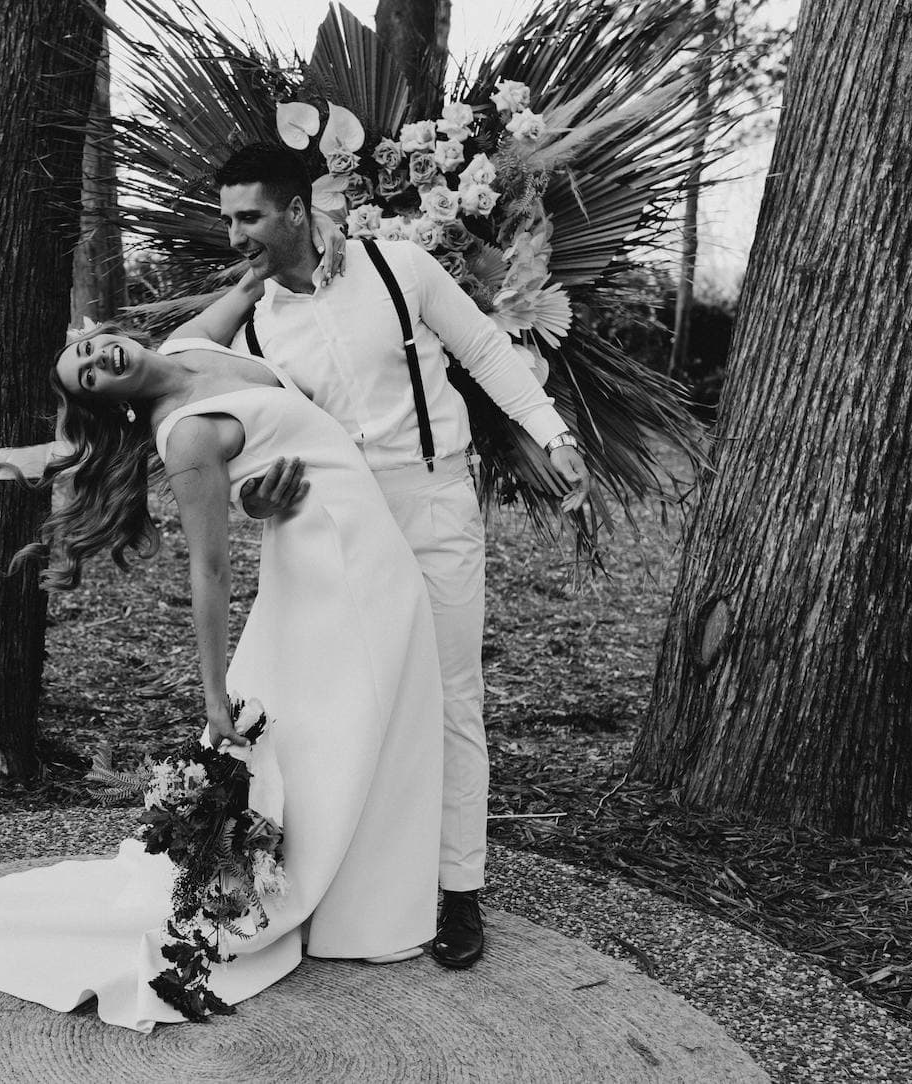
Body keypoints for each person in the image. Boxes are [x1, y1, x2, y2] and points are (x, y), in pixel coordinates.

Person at [0, 294, 447, 1030]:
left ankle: (362, 903)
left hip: (358, 537)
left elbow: (249, 281)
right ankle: (357, 917)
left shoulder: (191, 345)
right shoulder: (186, 435)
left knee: (364, 723)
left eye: (89, 350)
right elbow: (210, 570)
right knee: (355, 723)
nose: (98, 362)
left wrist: (304, 253)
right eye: (89, 378)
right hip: (333, 560)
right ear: (110, 404)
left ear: (109, 335)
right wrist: (214, 693)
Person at [212, 142, 589, 971]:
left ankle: (459, 890)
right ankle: (345, 883)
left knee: (453, 698)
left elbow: (485, 351)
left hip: (432, 503)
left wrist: (551, 432)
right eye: (228, 218)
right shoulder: (253, 324)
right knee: (356, 701)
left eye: (249, 216)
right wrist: (253, 501)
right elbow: (249, 447)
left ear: (295, 210)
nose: (235, 234)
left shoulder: (400, 268)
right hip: (335, 524)